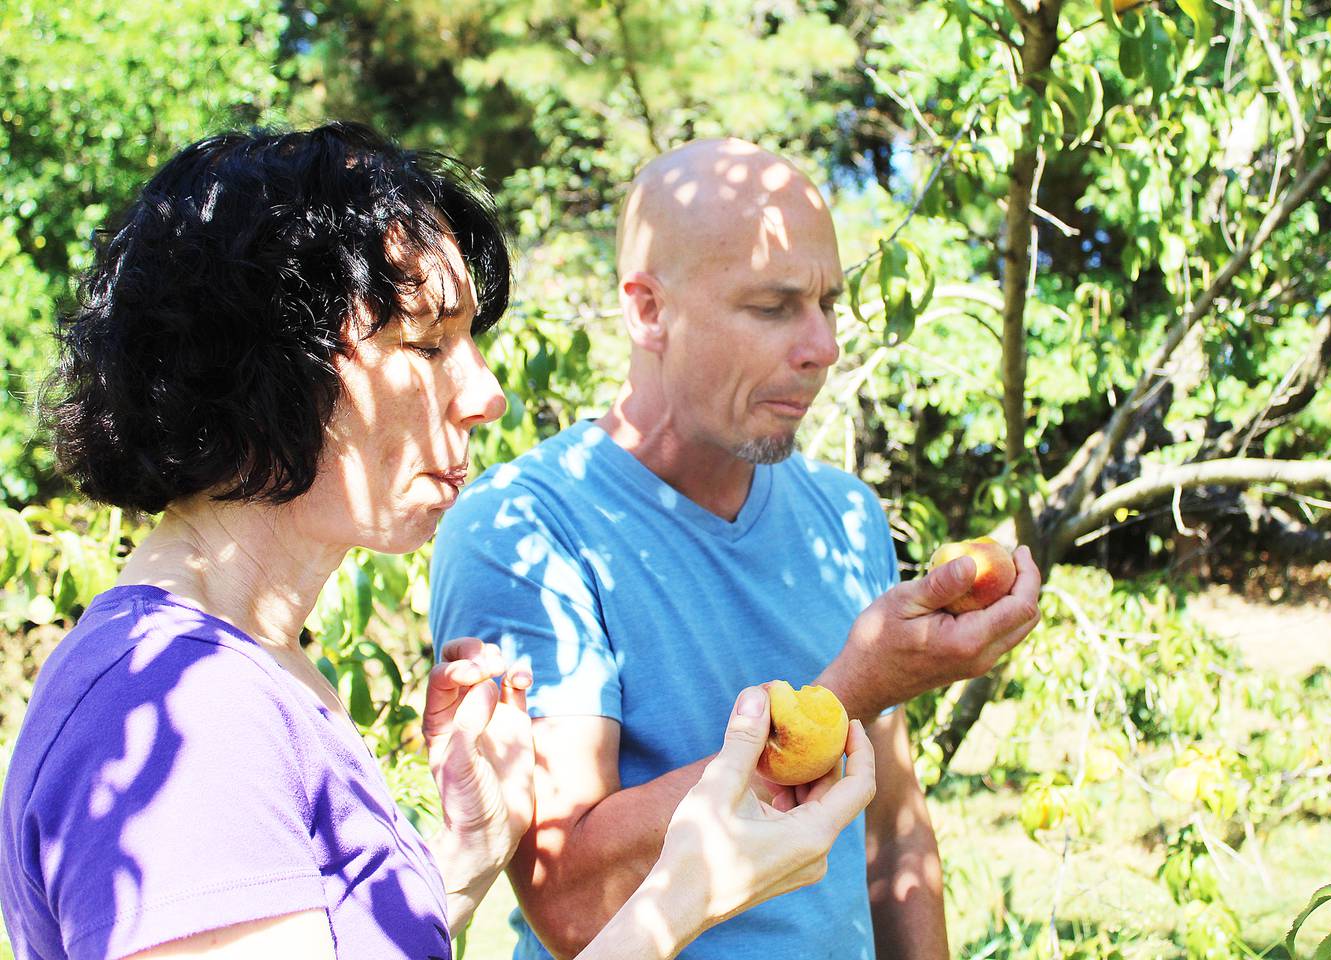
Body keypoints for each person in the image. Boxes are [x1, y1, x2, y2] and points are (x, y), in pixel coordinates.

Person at [0, 123, 876, 960]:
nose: (486, 394)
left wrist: (465, 854)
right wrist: (686, 893)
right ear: (264, 365)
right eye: (427, 344)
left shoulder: (261, 666)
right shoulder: (188, 714)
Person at [429, 138, 1043, 960]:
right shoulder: (527, 530)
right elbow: (573, 903)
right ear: (647, 311)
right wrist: (853, 687)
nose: (823, 346)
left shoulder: (844, 515)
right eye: (773, 307)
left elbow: (892, 843)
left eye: (828, 302)